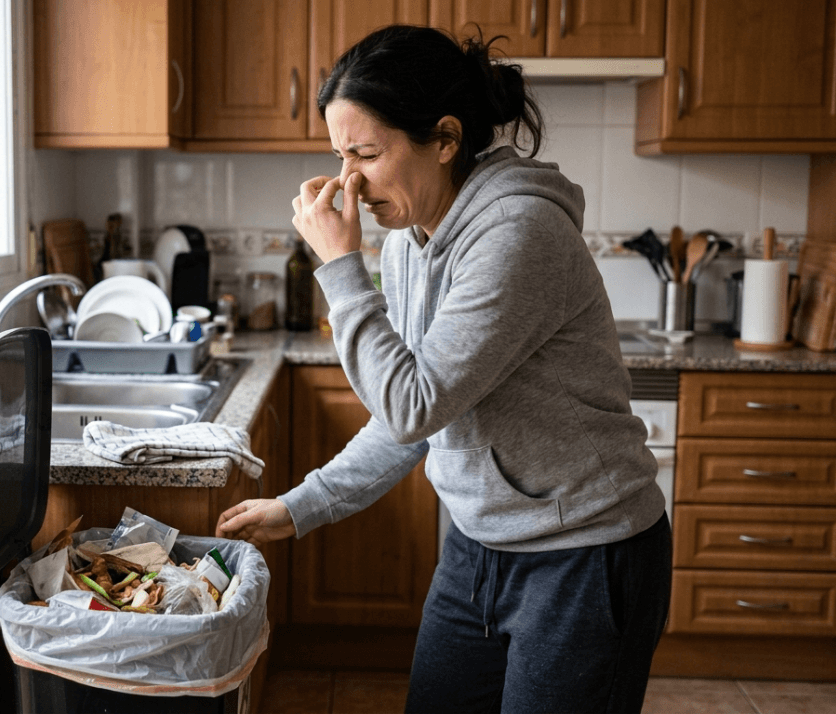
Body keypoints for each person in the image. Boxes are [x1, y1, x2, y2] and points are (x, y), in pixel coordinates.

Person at [215, 24, 672, 714]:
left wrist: (340, 268)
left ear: (446, 139)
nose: (348, 180)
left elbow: (413, 406)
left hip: (584, 554)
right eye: (340, 155)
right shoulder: (410, 239)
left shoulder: (519, 230)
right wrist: (299, 506)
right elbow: (410, 416)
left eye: (367, 154)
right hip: (479, 544)